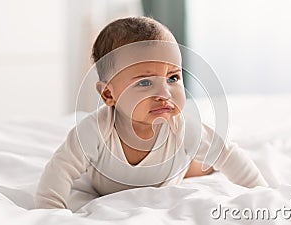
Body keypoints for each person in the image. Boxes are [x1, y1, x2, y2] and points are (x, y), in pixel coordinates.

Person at [35, 16, 268, 210]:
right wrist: (50, 213)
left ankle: (194, 164)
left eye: (173, 77)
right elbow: (60, 169)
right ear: (108, 95)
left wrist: (262, 194)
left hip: (172, 169)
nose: (164, 92)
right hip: (109, 182)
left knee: (204, 163)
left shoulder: (183, 128)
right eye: (145, 83)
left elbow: (228, 154)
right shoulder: (94, 131)